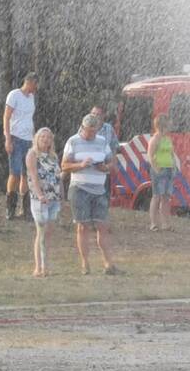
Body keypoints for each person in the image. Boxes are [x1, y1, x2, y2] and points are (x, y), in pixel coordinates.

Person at [62, 113, 120, 275]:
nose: (91, 135)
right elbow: (64, 165)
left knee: (103, 226)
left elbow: (111, 161)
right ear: (82, 127)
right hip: (80, 188)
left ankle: (109, 264)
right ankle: (85, 264)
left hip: (99, 189)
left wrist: (106, 168)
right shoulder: (73, 141)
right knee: (83, 227)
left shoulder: (102, 142)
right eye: (89, 132)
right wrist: (80, 164)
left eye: (94, 132)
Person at [26, 127, 61, 278]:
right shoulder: (32, 154)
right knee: (41, 232)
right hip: (40, 199)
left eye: (48, 138)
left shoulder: (53, 156)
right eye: (42, 137)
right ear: (37, 139)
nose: (45, 140)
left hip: (54, 197)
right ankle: (38, 267)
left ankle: (46, 266)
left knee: (48, 233)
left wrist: (62, 197)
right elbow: (33, 177)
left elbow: (59, 177)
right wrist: (40, 195)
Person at [3, 71, 39, 221]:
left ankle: (25, 209)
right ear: (29, 82)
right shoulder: (14, 95)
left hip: (28, 139)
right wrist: (8, 138)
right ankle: (10, 207)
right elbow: (7, 116)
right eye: (35, 84)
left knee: (27, 174)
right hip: (16, 138)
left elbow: (29, 119)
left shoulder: (31, 98)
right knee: (15, 172)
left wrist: (35, 139)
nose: (36, 88)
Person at [147, 113, 178, 232]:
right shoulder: (155, 139)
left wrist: (174, 165)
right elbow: (150, 155)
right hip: (159, 170)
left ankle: (165, 224)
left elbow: (171, 154)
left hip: (169, 169)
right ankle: (153, 223)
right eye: (168, 125)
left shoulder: (168, 138)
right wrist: (156, 168)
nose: (170, 127)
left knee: (166, 197)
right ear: (162, 126)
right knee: (156, 196)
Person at [91, 105, 120, 198]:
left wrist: (114, 165)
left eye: (98, 114)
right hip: (89, 169)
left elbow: (114, 146)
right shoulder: (85, 128)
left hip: (105, 168)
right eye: (93, 113)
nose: (95, 116)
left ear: (103, 116)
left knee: (104, 198)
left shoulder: (109, 128)